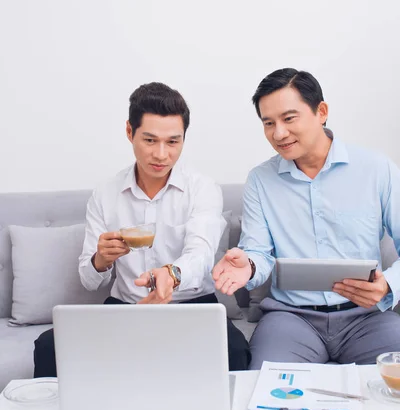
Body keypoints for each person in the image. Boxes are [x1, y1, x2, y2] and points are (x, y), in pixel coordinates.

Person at [34, 82, 250, 376]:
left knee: (235, 352)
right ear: (129, 132)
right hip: (126, 307)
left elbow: (200, 255)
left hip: (191, 304)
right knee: (49, 347)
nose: (161, 154)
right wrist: (101, 259)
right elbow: (89, 280)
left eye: (173, 142)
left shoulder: (202, 188)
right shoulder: (106, 194)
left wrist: (171, 275)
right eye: (150, 140)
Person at [213, 68, 400, 368]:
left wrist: (388, 285)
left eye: (289, 119)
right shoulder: (261, 180)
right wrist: (247, 266)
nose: (278, 133)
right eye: (268, 123)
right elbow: (258, 253)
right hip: (291, 318)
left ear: (321, 112)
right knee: (263, 384)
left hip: (366, 317)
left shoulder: (377, 170)